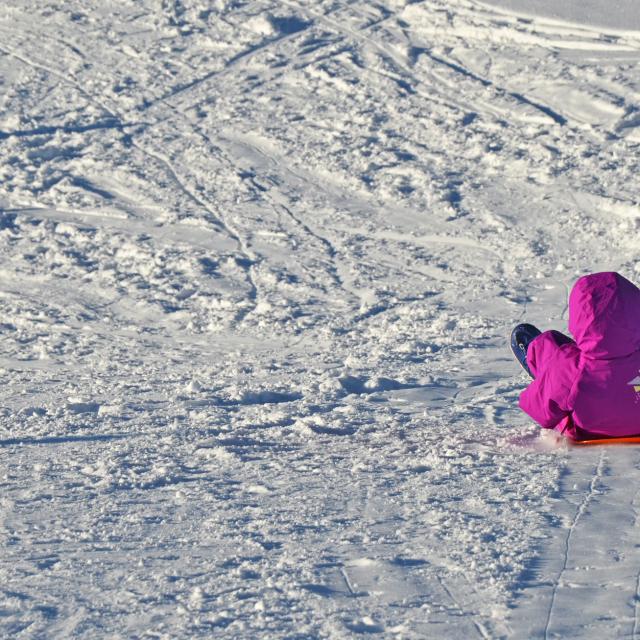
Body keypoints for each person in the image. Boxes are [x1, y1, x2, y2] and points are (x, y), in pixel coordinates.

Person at [511, 272, 640, 440]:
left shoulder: (571, 370)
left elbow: (538, 409)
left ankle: (533, 355)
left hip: (588, 430)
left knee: (552, 346)